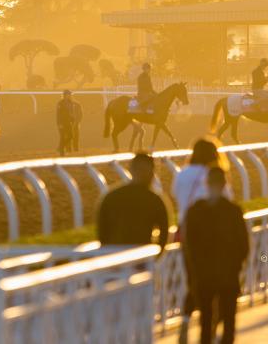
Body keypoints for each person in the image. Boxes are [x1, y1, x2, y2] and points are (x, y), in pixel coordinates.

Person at [172, 138, 232, 344]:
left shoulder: (182, 174)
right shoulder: (213, 176)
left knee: (194, 280)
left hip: (186, 233)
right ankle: (212, 327)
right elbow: (227, 202)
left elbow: (177, 198)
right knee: (214, 282)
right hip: (213, 236)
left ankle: (185, 322)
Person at [184, 167, 249, 344]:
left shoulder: (195, 211)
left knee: (206, 322)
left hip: (204, 275)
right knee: (228, 322)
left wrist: (193, 273)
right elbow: (244, 246)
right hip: (228, 275)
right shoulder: (234, 211)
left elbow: (189, 247)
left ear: (206, 184)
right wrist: (237, 267)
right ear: (224, 184)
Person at [97, 153, 169, 251]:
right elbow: (164, 235)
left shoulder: (111, 196)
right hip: (142, 259)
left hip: (113, 257)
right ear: (152, 172)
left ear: (131, 170)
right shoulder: (155, 200)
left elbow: (102, 233)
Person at [56, 90, 79, 156]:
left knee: (71, 136)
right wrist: (59, 123)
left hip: (69, 123)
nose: (69, 96)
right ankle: (62, 152)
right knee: (62, 137)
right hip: (62, 122)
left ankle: (60, 147)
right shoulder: (60, 103)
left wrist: (73, 119)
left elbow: (71, 112)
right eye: (68, 94)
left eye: (70, 94)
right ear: (65, 95)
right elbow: (58, 114)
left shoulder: (71, 103)